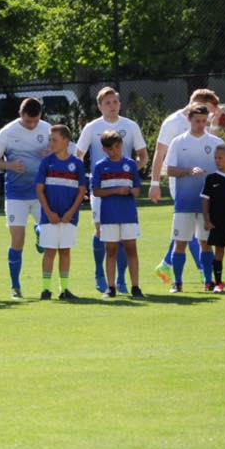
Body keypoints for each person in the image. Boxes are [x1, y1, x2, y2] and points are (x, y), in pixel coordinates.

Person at [75, 87, 148, 294]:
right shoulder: (92, 127)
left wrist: (129, 173)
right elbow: (78, 155)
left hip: (123, 193)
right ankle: (100, 273)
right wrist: (82, 182)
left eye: (115, 102)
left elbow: (143, 155)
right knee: (101, 233)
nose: (112, 106)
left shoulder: (130, 125)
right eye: (107, 103)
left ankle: (123, 279)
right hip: (101, 190)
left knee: (126, 237)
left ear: (120, 104)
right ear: (99, 106)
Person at [150, 89, 221, 282]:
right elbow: (160, 153)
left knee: (193, 230)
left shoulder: (204, 124)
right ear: (197, 103)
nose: (211, 115)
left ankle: (167, 265)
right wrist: (155, 183)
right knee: (189, 228)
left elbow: (212, 149)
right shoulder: (173, 122)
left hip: (204, 186)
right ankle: (200, 272)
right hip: (182, 186)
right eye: (210, 110)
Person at [0, 98, 51, 299]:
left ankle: (40, 234)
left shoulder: (48, 129)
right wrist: (9, 165)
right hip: (15, 193)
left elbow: (66, 151)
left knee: (48, 241)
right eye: (28, 121)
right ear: (20, 114)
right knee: (17, 240)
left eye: (35, 121)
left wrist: (51, 153)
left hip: (41, 192)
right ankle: (15, 287)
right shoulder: (7, 132)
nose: (32, 125)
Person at [163, 104, 224, 293]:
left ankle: (208, 282)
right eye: (197, 121)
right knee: (180, 243)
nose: (201, 125)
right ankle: (177, 283)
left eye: (204, 121)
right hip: (184, 203)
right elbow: (169, 170)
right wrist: (189, 171)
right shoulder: (178, 142)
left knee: (205, 244)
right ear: (189, 120)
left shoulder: (215, 142)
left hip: (208, 204)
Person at [91, 131, 144, 299]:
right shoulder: (100, 166)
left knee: (131, 250)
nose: (114, 151)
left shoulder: (130, 165)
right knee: (111, 251)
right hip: (109, 216)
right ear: (104, 149)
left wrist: (130, 191)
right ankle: (111, 287)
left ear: (121, 144)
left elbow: (137, 189)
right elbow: (96, 191)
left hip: (128, 214)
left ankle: (136, 287)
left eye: (117, 147)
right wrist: (115, 190)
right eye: (110, 149)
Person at [35, 125, 84, 300]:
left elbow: (81, 191)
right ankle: (46, 290)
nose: (51, 143)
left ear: (66, 141)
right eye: (50, 139)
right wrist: (49, 213)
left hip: (69, 218)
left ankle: (64, 290)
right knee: (49, 251)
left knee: (65, 251)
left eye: (54, 140)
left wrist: (71, 212)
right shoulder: (46, 163)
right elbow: (39, 190)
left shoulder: (77, 164)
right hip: (49, 218)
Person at [201, 144, 225, 292]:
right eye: (215, 158)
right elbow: (205, 200)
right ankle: (218, 283)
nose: (217, 160)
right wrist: (206, 219)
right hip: (217, 223)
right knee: (219, 252)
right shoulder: (211, 178)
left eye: (220, 158)